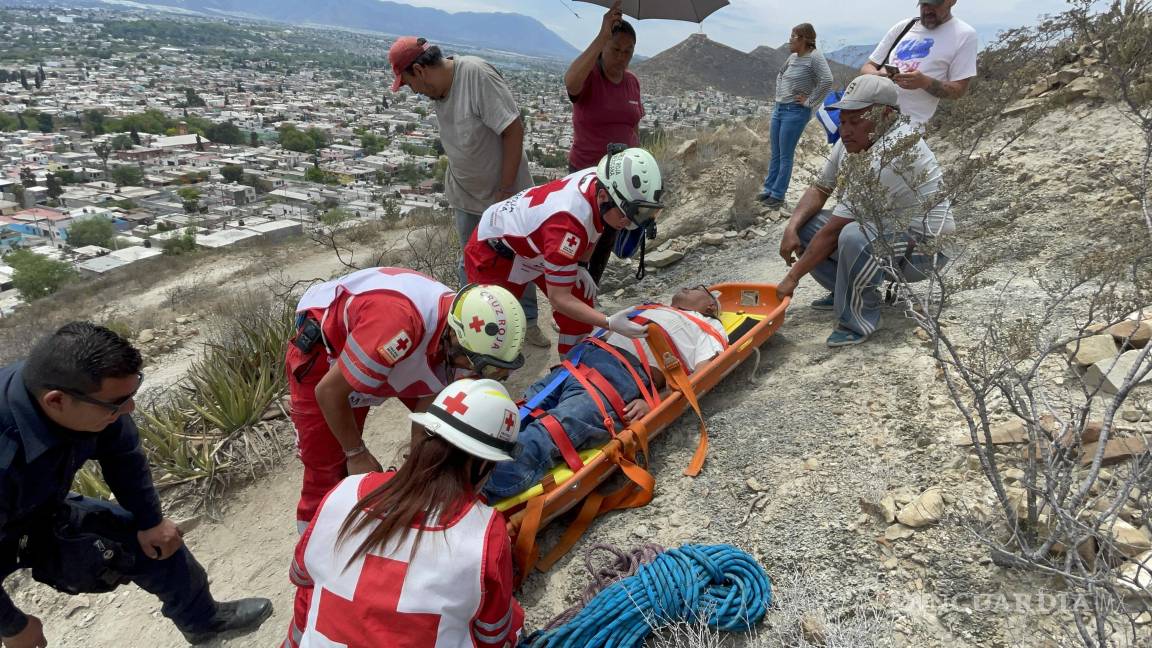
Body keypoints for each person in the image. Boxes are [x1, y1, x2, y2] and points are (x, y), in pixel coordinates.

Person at [0, 322, 272, 647]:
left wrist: (150, 521)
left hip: (38, 512)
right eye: (118, 403)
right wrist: (13, 626)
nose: (129, 408)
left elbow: (124, 457)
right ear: (56, 401)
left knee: (159, 544)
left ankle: (205, 623)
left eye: (131, 394)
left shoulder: (87, 396)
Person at [283, 378, 523, 648]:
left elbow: (305, 581)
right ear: (483, 464)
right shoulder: (484, 533)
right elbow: (492, 635)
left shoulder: (346, 492)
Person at [286, 267, 526, 532]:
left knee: (445, 434)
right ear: (454, 336)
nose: (475, 372)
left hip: (387, 345)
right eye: (475, 363)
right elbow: (329, 393)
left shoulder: (456, 326)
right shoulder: (398, 326)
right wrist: (356, 452)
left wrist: (419, 467)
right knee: (328, 467)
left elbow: (430, 403)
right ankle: (311, 543)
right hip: (325, 355)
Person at [484, 286, 728, 499]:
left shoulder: (708, 326)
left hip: (621, 376)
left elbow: (701, 376)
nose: (689, 287)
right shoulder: (652, 307)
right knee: (517, 412)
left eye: (699, 288)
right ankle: (461, 463)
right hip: (580, 360)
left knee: (549, 431)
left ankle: (478, 494)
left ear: (709, 305)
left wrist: (653, 403)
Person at [388, 36, 548, 349]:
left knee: (519, 260)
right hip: (465, 195)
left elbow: (513, 129)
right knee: (472, 265)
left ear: (419, 70)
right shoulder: (438, 91)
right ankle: (472, 333)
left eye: (408, 83)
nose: (413, 91)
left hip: (506, 197)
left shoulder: (476, 76)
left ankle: (526, 322)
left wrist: (505, 193)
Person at [775, 75, 954, 347]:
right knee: (809, 225)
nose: (845, 130)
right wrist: (791, 227)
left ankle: (858, 320)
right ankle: (842, 291)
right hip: (891, 232)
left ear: (884, 116)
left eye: (855, 122)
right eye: (844, 121)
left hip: (928, 249)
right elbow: (821, 188)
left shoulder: (892, 152)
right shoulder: (853, 141)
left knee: (853, 236)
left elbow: (835, 230)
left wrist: (791, 278)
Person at [463, 146, 665, 357]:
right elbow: (559, 298)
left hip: (532, 242)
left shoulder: (599, 183)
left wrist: (580, 265)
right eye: (629, 214)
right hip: (494, 252)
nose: (629, 223)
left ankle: (572, 369)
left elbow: (596, 227)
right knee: (491, 331)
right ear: (605, 197)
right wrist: (608, 323)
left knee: (579, 311)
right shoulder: (567, 226)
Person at [564, 0, 644, 284]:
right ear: (603, 48)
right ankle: (566, 300)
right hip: (586, 176)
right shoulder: (590, 77)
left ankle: (588, 295)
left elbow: (634, 126)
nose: (621, 56)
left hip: (619, 180)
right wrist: (601, 35)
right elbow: (570, 83)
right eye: (615, 49)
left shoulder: (632, 82)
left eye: (628, 51)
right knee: (577, 241)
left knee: (604, 243)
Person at [860, 0, 978, 126]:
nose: (927, 10)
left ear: (951, 2)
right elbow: (867, 67)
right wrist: (878, 76)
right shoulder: (905, 26)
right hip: (868, 120)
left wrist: (924, 82)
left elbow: (959, 90)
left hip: (908, 128)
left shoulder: (964, 34)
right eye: (924, 4)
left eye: (934, 4)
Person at [757, 23, 834, 209]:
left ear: (805, 39)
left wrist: (810, 101)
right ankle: (768, 189)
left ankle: (778, 195)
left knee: (785, 155)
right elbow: (780, 74)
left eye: (793, 36)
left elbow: (827, 80)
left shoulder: (814, 57)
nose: (790, 40)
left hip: (795, 112)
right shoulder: (792, 57)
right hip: (780, 108)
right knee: (776, 152)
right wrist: (780, 94)